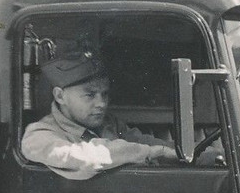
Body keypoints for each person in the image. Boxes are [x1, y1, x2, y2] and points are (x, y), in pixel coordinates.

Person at [22, 48, 179, 180]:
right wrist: (148, 153)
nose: (102, 103)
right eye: (90, 95)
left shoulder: (109, 123)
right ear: (60, 96)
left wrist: (187, 152)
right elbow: (85, 157)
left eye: (104, 94)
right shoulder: (38, 136)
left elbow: (148, 143)